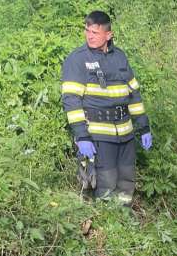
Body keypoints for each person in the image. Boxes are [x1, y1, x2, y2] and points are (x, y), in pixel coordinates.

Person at [61, 11, 152, 206]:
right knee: (106, 183)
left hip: (125, 133)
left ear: (108, 35)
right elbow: (71, 100)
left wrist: (143, 127)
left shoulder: (119, 57)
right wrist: (82, 136)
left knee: (127, 182)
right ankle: (107, 225)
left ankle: (124, 219)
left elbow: (133, 94)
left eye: (95, 32)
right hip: (98, 135)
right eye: (87, 31)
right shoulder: (78, 59)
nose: (89, 36)